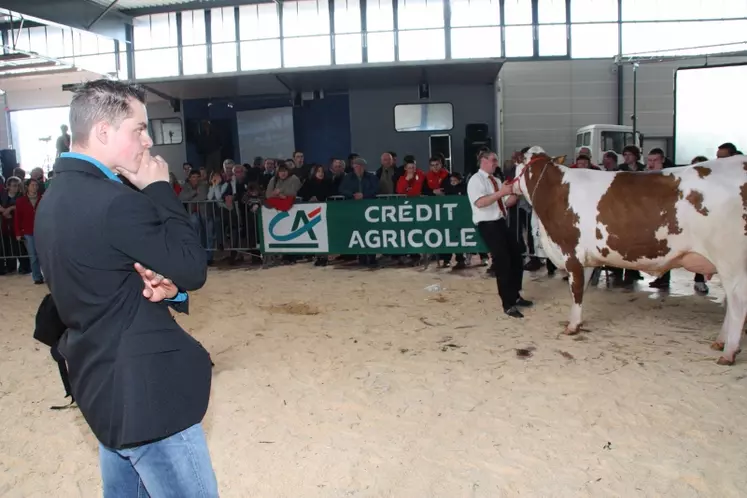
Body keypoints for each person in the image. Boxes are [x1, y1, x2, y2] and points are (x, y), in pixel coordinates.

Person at [34, 80, 218, 497]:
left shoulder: (55, 197)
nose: (148, 140)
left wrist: (169, 292)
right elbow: (192, 267)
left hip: (101, 385)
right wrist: (157, 189)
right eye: (138, 128)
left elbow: (107, 277)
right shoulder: (117, 201)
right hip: (147, 394)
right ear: (103, 132)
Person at [467, 150, 532, 318]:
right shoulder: (475, 180)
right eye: (493, 160)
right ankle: (507, 303)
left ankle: (515, 294)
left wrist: (515, 194)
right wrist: (502, 193)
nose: (496, 163)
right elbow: (480, 202)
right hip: (487, 224)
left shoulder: (496, 180)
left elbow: (505, 202)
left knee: (517, 255)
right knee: (503, 261)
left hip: (500, 221)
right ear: (483, 161)